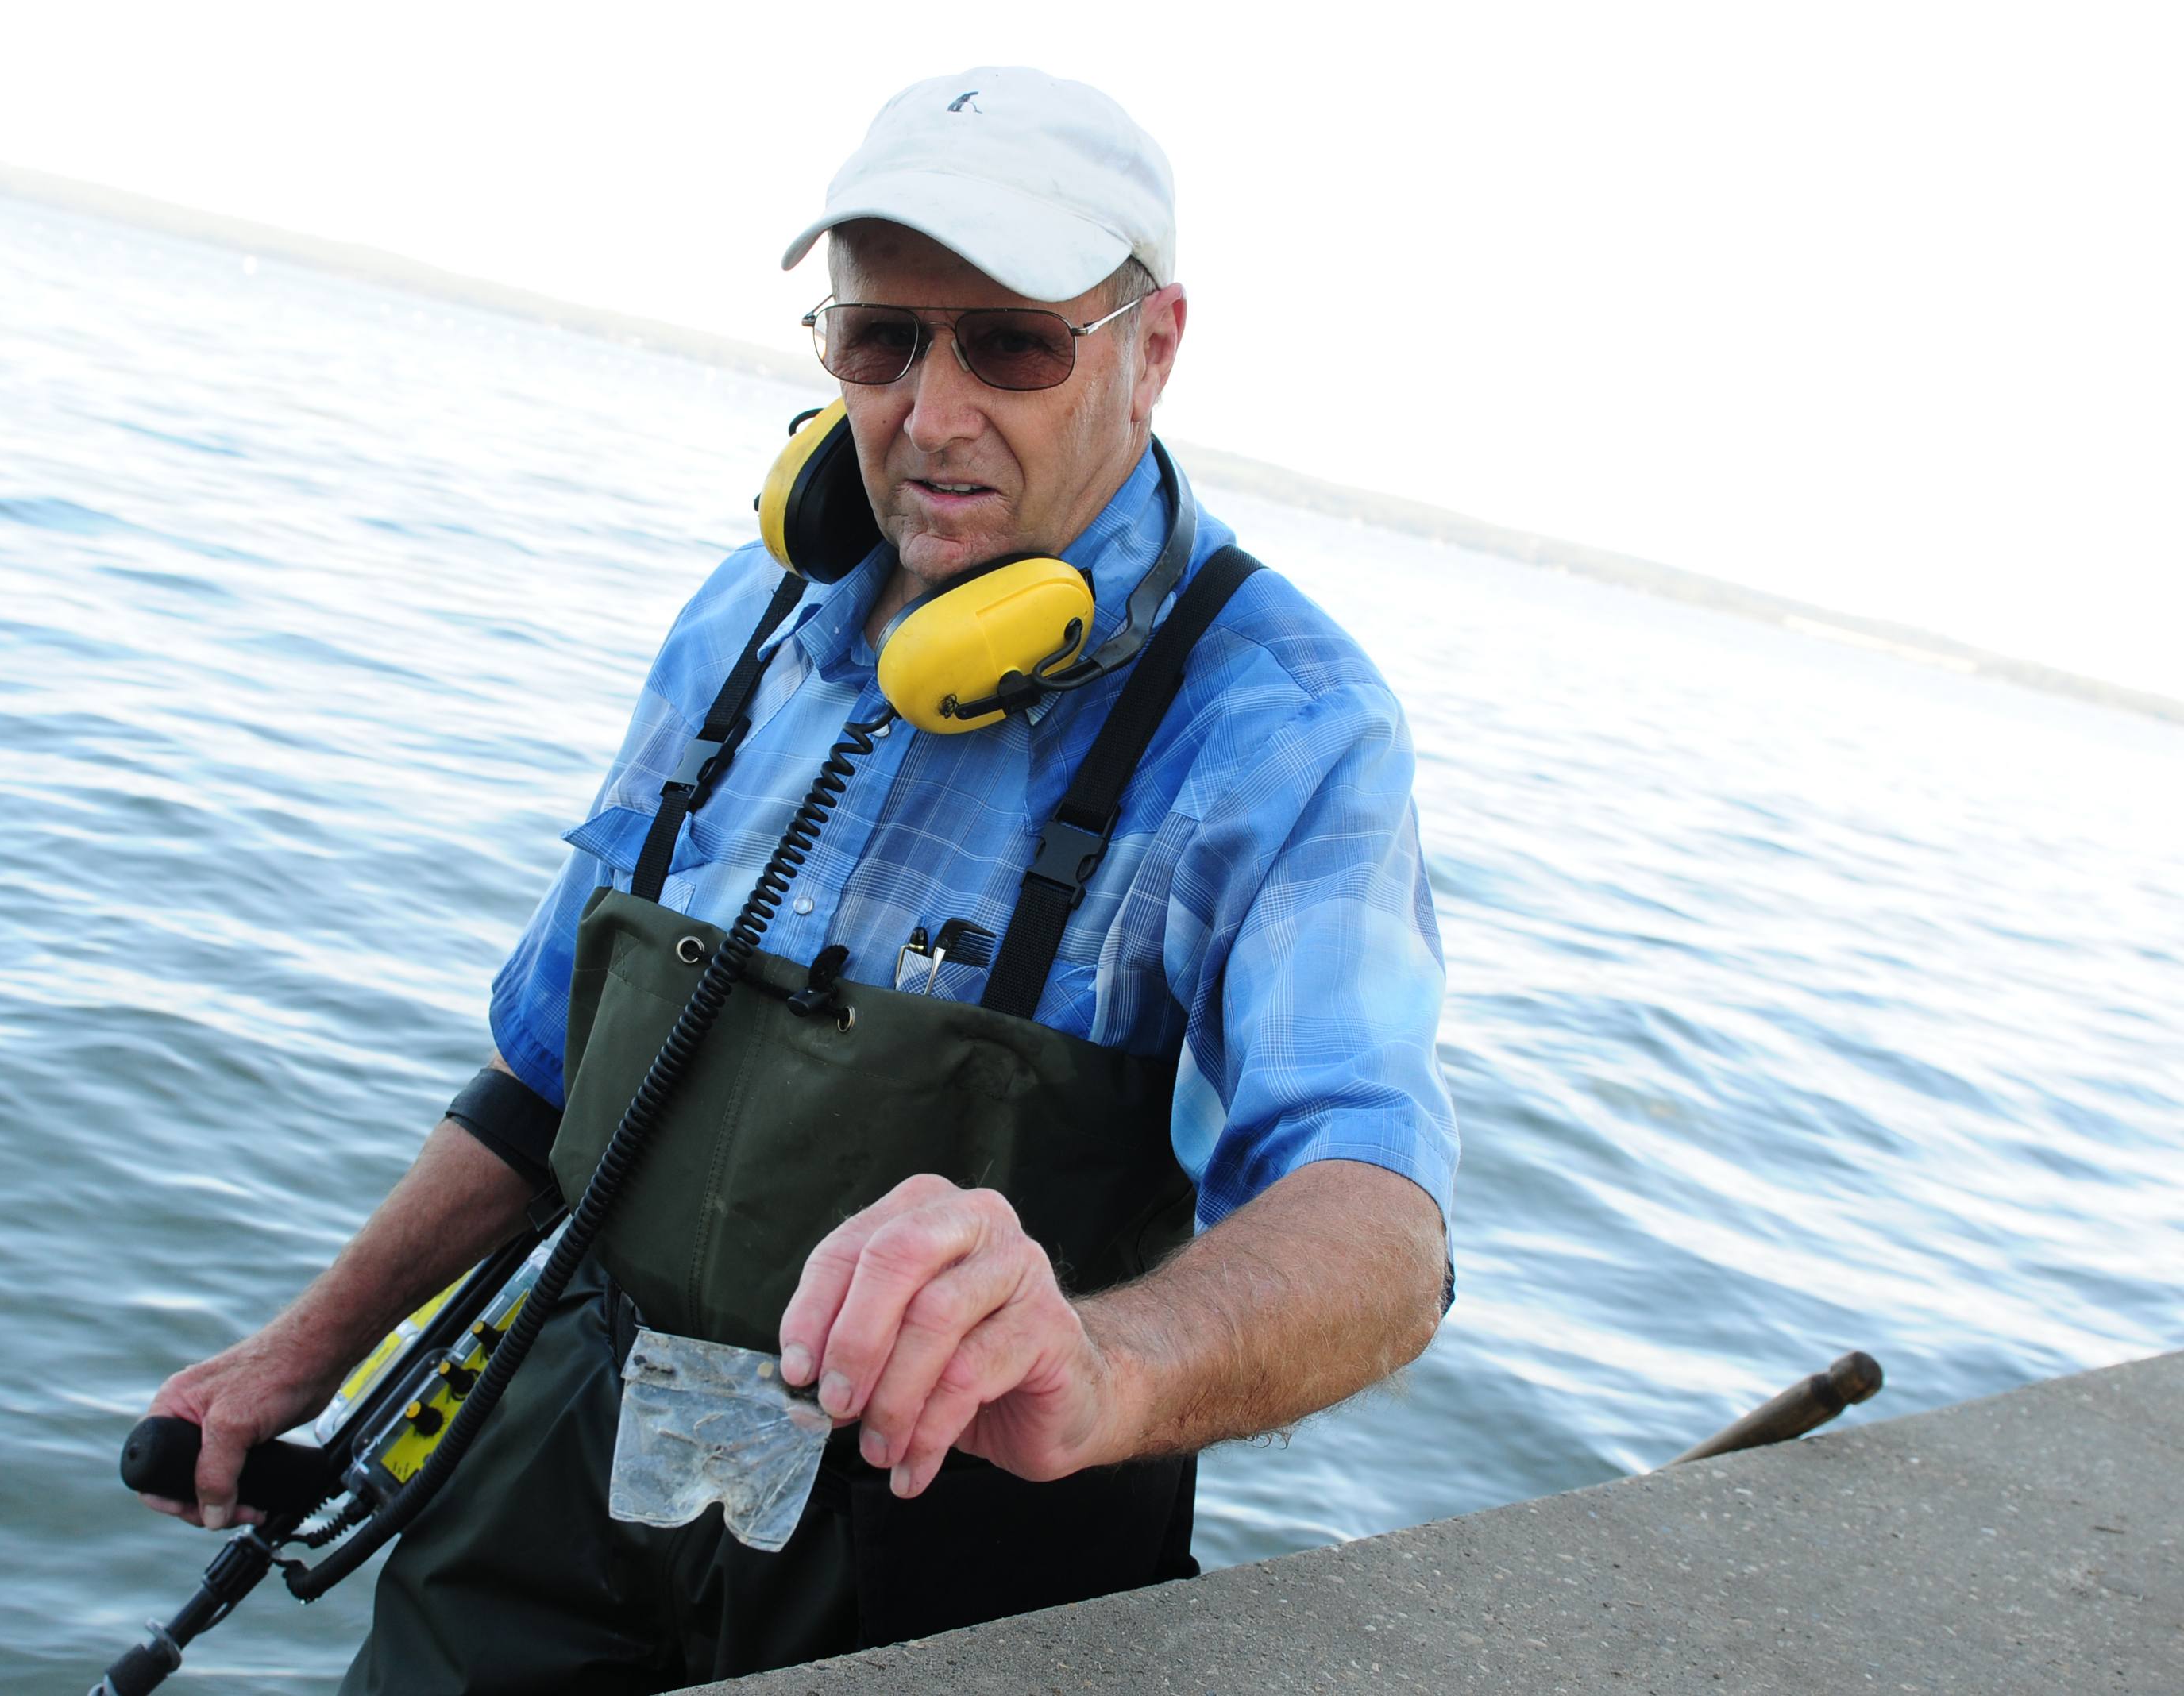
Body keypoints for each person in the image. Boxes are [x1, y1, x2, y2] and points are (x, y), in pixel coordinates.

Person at [141, 65, 1458, 1694]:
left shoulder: (1283, 724)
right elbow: (552, 1065)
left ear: (1154, 346)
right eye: (882, 338)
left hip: (947, 1550)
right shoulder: (752, 614)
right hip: (562, 1460)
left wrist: (1104, 1362)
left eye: (1014, 344)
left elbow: (1381, 1227)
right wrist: (305, 1350)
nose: (933, 409)